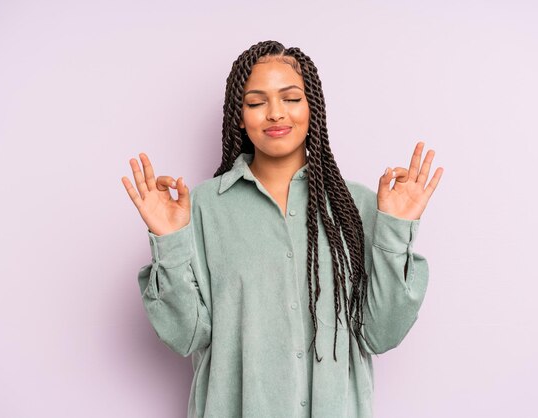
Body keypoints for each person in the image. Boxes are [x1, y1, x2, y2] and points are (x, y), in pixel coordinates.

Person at [121, 40, 443, 418]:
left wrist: (395, 228)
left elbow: (380, 334)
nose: (275, 113)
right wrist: (169, 240)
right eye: (257, 102)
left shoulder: (358, 205)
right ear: (239, 116)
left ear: (313, 109)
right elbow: (186, 336)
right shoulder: (202, 207)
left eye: (291, 99)